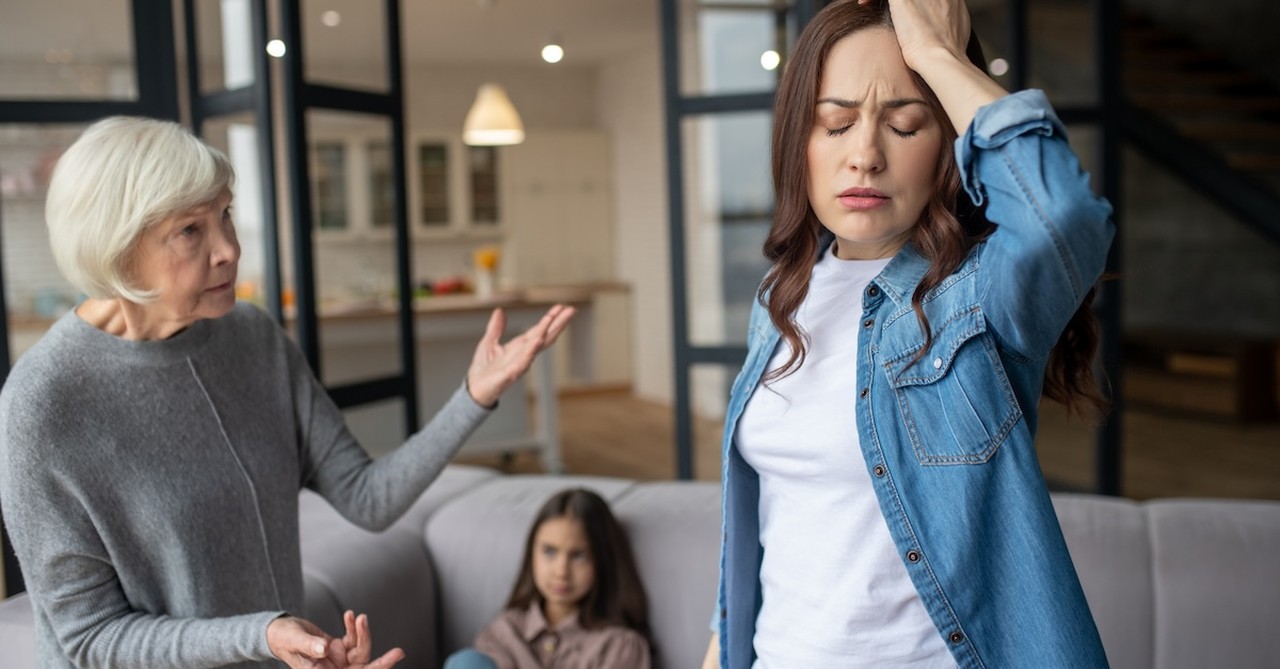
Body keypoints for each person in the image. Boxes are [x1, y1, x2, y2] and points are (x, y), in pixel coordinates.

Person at [0, 116, 575, 669]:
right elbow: (90, 636)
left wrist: (473, 395)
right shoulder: (44, 405)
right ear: (116, 247)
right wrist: (265, 635)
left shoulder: (252, 339)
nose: (227, 248)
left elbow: (367, 497)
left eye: (225, 215)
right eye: (190, 230)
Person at [701, 0, 1115, 667]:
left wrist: (939, 59)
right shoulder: (778, 298)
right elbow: (772, 525)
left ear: (946, 144)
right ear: (796, 142)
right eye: (834, 123)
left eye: (903, 123)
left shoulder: (978, 300)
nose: (863, 154)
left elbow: (1063, 216)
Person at [443, 488, 652, 669]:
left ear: (603, 561)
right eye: (549, 552)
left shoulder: (618, 646)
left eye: (579, 556)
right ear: (531, 553)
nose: (561, 571)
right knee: (466, 662)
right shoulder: (504, 631)